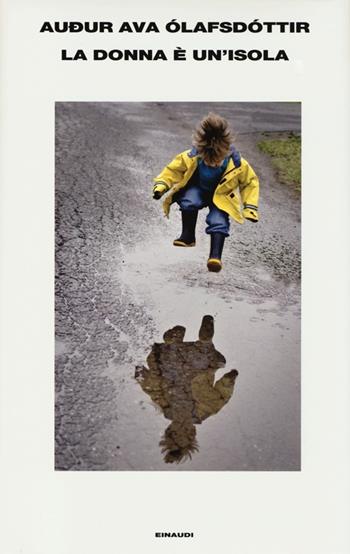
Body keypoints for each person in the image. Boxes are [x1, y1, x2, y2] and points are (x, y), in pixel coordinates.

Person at [152, 112, 260, 272]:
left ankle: (215, 256)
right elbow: (173, 170)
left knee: (219, 221)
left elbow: (250, 183)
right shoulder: (192, 156)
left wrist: (250, 207)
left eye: (216, 162)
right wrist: (161, 186)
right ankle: (188, 236)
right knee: (188, 201)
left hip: (222, 197)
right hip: (199, 189)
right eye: (209, 161)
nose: (213, 164)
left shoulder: (237, 164)